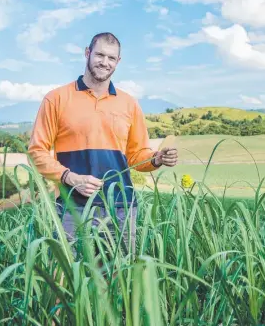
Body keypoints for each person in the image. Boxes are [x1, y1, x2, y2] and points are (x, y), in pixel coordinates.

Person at [28, 31, 178, 257]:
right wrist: (71, 178)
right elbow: (37, 152)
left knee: (120, 282)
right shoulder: (56, 99)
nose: (104, 62)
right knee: (66, 279)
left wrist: (156, 159)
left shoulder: (129, 104)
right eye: (99, 55)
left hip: (122, 208)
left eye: (111, 58)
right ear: (87, 53)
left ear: (118, 62)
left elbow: (136, 156)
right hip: (72, 208)